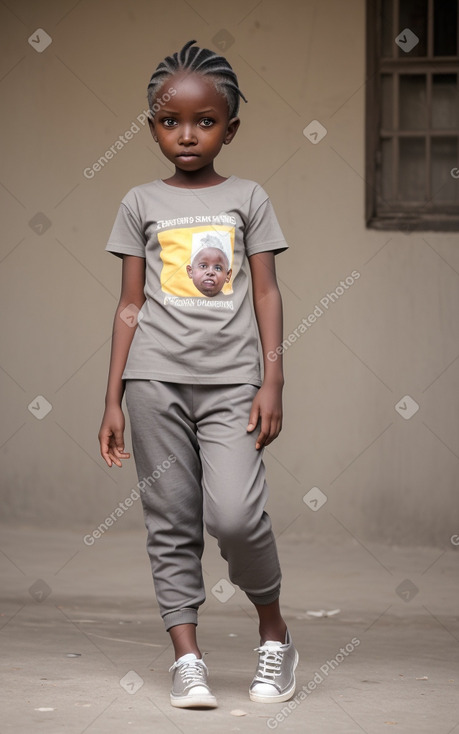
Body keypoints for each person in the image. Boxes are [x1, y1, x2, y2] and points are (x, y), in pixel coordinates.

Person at [98, 39, 298, 710]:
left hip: (232, 384)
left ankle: (274, 634)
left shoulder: (249, 197)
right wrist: (113, 399)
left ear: (229, 128)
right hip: (152, 383)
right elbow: (130, 304)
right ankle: (188, 656)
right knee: (170, 518)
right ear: (152, 126)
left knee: (236, 516)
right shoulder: (138, 201)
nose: (186, 135)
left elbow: (266, 294)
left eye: (205, 121)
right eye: (169, 121)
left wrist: (272, 382)